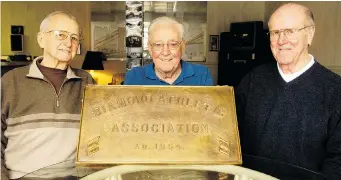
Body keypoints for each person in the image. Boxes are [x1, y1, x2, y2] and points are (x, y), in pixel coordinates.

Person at [235, 3, 341, 180]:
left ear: (310, 34)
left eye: (290, 31)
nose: (281, 40)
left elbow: (338, 161)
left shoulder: (335, 91)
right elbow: (231, 136)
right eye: (275, 33)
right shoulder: (253, 79)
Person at [1, 11, 96, 179]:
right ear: (41, 39)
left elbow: (98, 135)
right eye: (61, 35)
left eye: (74, 38)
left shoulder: (86, 81)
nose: (68, 43)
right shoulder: (11, 81)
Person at [124, 16, 213, 86]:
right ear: (150, 48)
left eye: (173, 44)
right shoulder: (133, 77)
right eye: (158, 45)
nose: (165, 52)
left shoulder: (202, 75)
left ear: (182, 46)